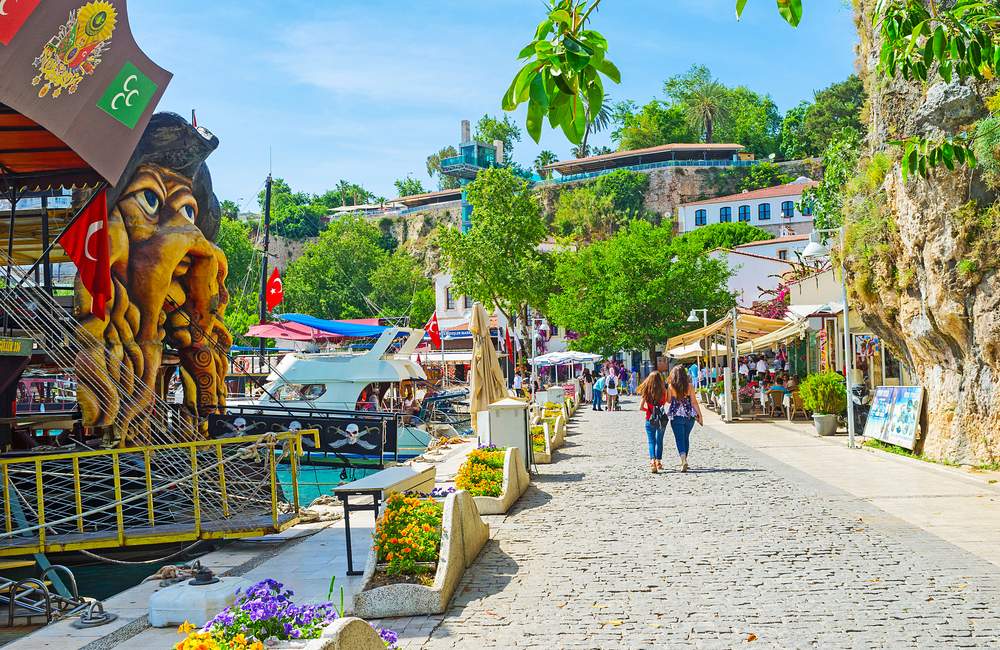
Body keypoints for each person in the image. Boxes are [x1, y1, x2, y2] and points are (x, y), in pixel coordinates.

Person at [667, 365, 703, 472]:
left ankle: (683, 460)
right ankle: (685, 459)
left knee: (679, 438)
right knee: (686, 437)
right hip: (689, 416)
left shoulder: (671, 386)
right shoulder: (690, 386)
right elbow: (694, 402)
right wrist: (700, 416)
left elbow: (668, 401)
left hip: (676, 415)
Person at [639, 371, 669, 473]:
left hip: (649, 419)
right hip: (661, 419)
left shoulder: (647, 392)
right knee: (659, 441)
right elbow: (668, 400)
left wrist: (650, 411)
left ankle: (652, 462)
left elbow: (641, 407)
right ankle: (658, 462)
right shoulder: (664, 391)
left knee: (651, 441)